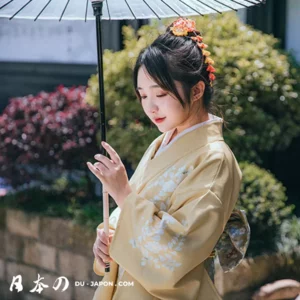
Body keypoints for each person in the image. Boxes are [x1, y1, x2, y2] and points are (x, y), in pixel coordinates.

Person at [87, 17, 248, 300]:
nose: (150, 106)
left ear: (196, 90)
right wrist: (107, 239)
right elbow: (127, 213)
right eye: (142, 95)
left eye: (160, 93)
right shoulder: (162, 141)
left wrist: (123, 193)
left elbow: (180, 248)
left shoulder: (215, 158)